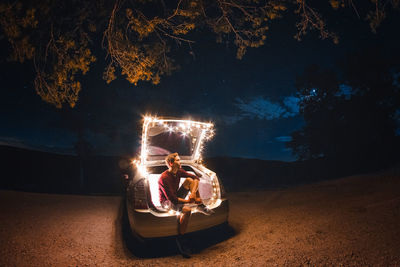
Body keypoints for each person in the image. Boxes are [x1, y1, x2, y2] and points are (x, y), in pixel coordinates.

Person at [158, 152, 213, 258]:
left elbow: (195, 177)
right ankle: (181, 240)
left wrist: (193, 194)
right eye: (178, 160)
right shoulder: (164, 177)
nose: (180, 162)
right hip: (167, 202)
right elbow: (172, 199)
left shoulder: (178, 171)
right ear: (171, 163)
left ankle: (199, 204)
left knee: (189, 180)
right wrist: (188, 201)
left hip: (175, 196)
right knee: (187, 210)